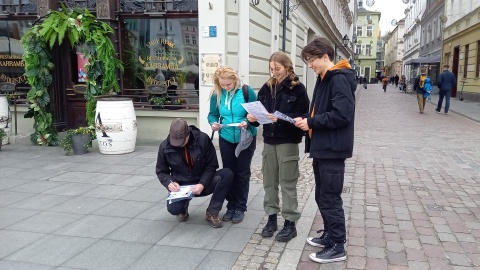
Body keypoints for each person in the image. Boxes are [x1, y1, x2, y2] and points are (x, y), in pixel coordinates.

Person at [294, 37, 356, 264]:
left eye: (312, 60)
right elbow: (322, 111)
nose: (310, 65)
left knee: (330, 198)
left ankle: (338, 246)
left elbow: (342, 115)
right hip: (322, 147)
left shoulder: (338, 79)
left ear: (325, 56)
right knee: (322, 194)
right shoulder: (324, 78)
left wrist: (311, 122)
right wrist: (308, 120)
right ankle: (330, 235)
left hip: (332, 149)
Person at [246, 51, 310, 242]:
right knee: (269, 182)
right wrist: (253, 119)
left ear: (287, 67)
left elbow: (304, 116)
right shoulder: (266, 88)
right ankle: (271, 219)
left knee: (288, 182)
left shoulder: (297, 89)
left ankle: (290, 223)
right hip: (269, 141)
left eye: (278, 69)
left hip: (288, 141)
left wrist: (281, 119)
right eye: (271, 69)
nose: (274, 72)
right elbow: (259, 116)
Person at [155, 118, 233, 228]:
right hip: (181, 186)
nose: (179, 145)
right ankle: (183, 206)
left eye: (182, 141)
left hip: (203, 181)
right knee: (174, 209)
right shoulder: (164, 146)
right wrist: (169, 182)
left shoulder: (203, 139)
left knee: (227, 174)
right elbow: (161, 171)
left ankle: (212, 212)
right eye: (176, 142)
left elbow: (212, 165)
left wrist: (202, 183)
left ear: (188, 134)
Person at [208, 66, 257, 224]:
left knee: (242, 173)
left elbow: (256, 116)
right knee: (229, 173)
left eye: (228, 84)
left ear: (235, 80)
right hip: (226, 137)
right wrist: (213, 123)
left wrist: (248, 122)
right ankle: (231, 205)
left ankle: (240, 207)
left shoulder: (247, 92)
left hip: (245, 137)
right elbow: (213, 114)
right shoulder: (217, 94)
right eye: (222, 84)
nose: (225, 87)